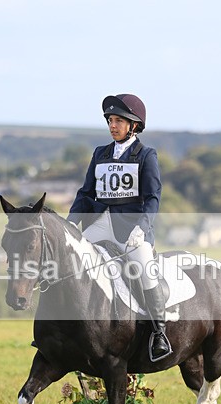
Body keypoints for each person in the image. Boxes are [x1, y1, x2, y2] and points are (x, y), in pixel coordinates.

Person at [67, 94, 172, 361]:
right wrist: (70, 223)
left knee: (146, 271)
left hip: (132, 228)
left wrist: (142, 228)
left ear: (133, 126)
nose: (112, 126)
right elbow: (85, 192)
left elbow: (152, 198)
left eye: (118, 121)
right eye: (110, 120)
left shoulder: (146, 156)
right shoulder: (100, 153)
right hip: (100, 223)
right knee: (71, 259)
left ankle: (159, 334)